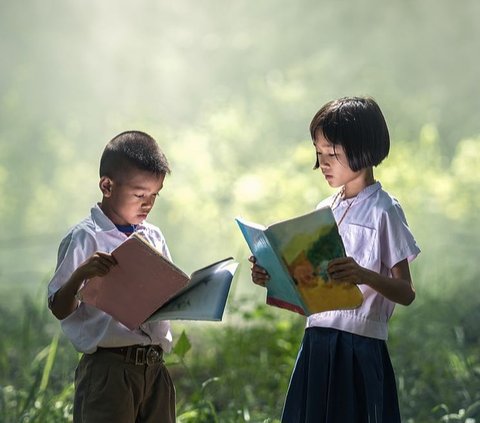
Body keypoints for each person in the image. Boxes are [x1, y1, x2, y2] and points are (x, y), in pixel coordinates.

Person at [250, 96, 420, 422]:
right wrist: (271, 274)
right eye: (319, 153)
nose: (323, 162)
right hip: (317, 340)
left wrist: (365, 275)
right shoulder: (324, 209)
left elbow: (406, 292)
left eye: (332, 154)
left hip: (360, 345)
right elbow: (307, 278)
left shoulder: (385, 209)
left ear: (363, 150)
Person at [48, 130, 176, 423]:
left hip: (155, 368)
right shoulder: (84, 237)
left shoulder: (153, 236)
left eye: (155, 195)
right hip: (109, 370)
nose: (148, 204)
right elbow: (58, 307)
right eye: (139, 194)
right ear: (107, 185)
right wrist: (82, 273)